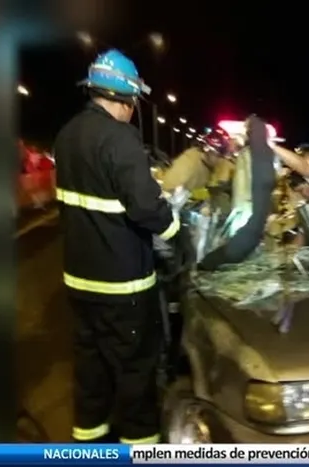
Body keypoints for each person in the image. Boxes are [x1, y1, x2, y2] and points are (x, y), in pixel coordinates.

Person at [53, 49, 180, 445]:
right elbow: (146, 207)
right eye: (134, 101)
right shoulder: (120, 138)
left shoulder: (67, 134)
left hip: (79, 281)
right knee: (135, 371)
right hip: (122, 285)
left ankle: (90, 445)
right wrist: (178, 232)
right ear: (125, 99)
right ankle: (139, 453)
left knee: (91, 370)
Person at [160, 128, 234, 198]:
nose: (220, 160)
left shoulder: (211, 165)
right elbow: (167, 188)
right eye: (218, 156)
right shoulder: (189, 161)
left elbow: (214, 186)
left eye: (222, 156)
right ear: (207, 150)